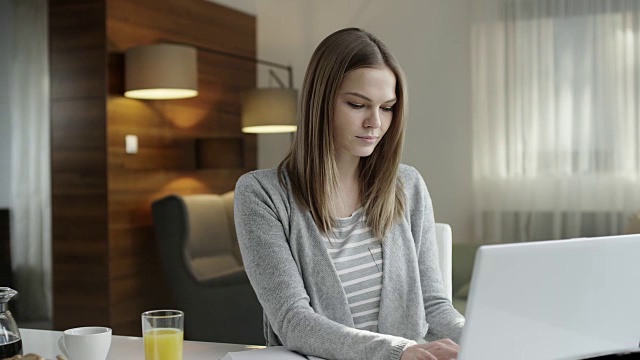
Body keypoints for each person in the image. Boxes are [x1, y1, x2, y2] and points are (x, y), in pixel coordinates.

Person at [234, 27, 464, 360]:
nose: (375, 122)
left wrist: (485, 337)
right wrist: (399, 351)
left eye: (387, 108)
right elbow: (293, 321)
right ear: (320, 102)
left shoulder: (407, 185)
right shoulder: (261, 195)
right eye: (358, 105)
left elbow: (435, 304)